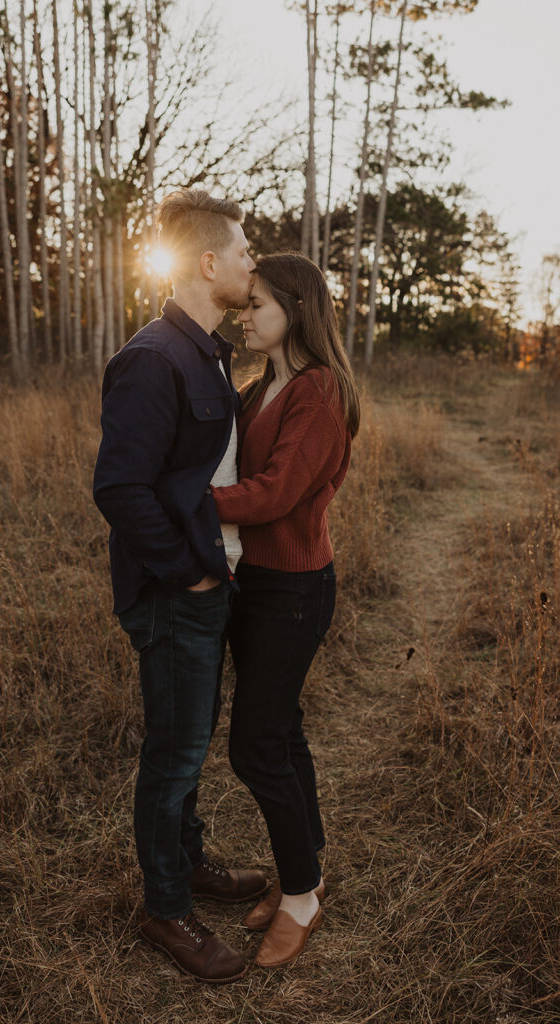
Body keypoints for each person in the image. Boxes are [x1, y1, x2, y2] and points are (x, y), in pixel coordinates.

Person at [92, 188, 268, 984]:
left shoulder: (208, 351)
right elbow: (120, 488)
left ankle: (187, 864)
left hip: (208, 584)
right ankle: (165, 909)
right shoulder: (152, 357)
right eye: (241, 250)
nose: (250, 260)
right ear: (205, 262)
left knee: (190, 746)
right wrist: (191, 572)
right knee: (174, 752)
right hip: (175, 594)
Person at [211, 252, 360, 968]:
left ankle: (300, 894)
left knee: (256, 746)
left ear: (295, 308)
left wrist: (183, 505)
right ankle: (310, 866)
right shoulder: (256, 387)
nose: (246, 314)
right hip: (256, 585)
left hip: (295, 590)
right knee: (283, 729)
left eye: (257, 303)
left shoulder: (318, 392)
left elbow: (272, 493)